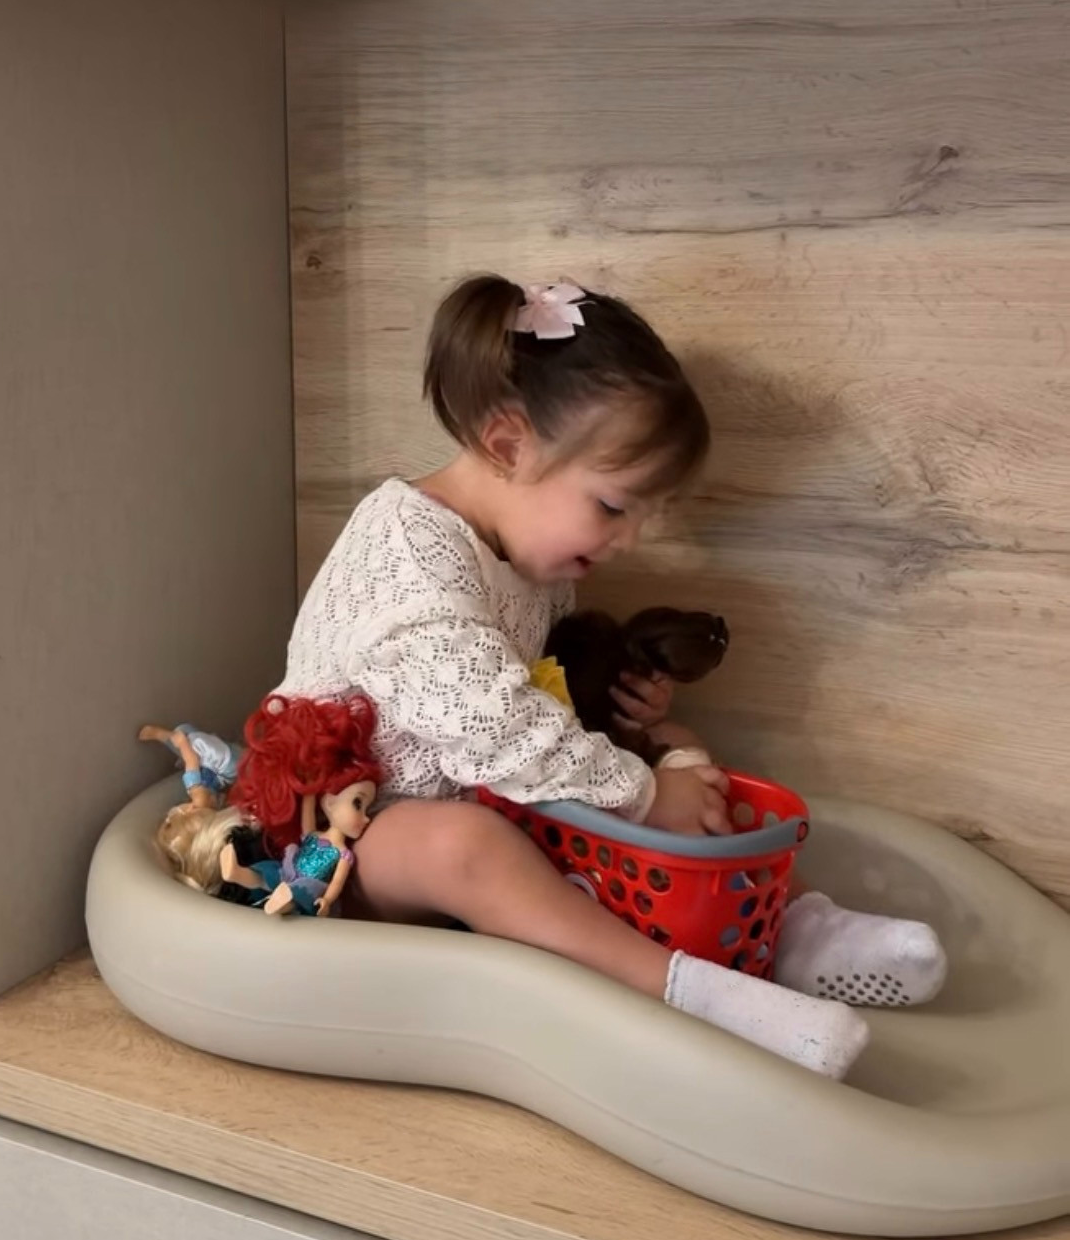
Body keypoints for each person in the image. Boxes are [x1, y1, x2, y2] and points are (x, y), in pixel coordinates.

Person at [274, 274, 947, 1081]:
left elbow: (542, 688)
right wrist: (637, 793)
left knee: (684, 757)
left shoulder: (524, 552)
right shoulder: (407, 556)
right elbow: (499, 731)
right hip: (342, 842)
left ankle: (796, 928)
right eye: (613, 506)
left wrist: (635, 723)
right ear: (507, 445)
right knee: (465, 843)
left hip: (485, 795)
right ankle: (692, 996)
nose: (629, 540)